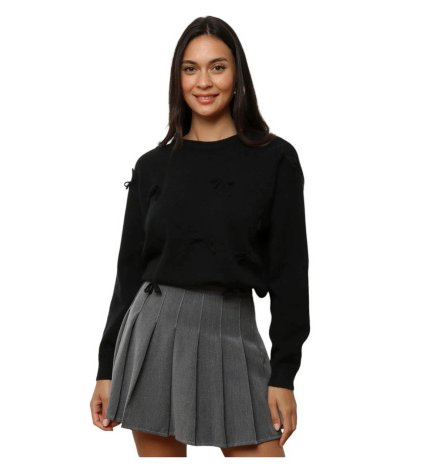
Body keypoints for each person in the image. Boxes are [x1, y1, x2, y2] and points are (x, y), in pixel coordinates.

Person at [90, 16, 310, 458]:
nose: (203, 82)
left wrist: (283, 375)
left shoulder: (274, 159)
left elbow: (290, 274)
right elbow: (128, 273)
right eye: (190, 68)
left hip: (233, 330)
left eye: (217, 67)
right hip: (154, 330)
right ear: (178, 78)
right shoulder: (152, 166)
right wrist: (106, 367)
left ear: (238, 75)